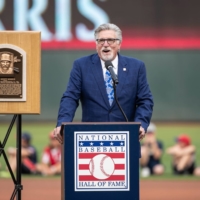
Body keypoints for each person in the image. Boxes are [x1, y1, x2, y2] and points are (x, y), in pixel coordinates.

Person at [54, 23, 154, 144]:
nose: (105, 44)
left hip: (126, 138)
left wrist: (141, 124)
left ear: (119, 44)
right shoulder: (81, 65)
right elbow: (70, 97)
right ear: (96, 45)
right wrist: (63, 123)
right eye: (101, 40)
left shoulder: (136, 67)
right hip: (91, 139)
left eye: (110, 40)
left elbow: (145, 100)